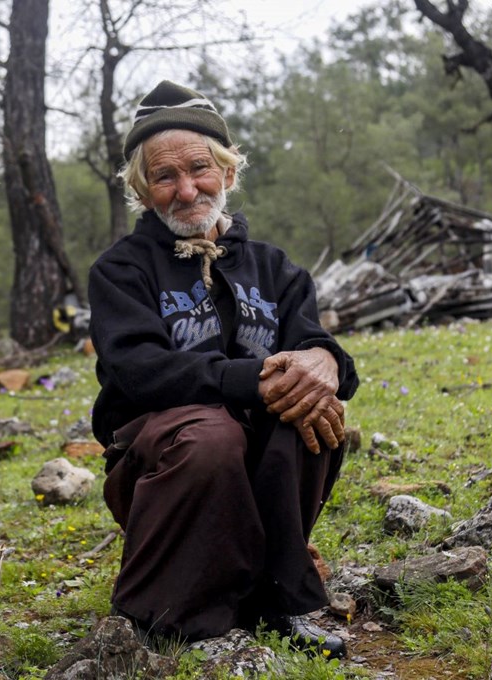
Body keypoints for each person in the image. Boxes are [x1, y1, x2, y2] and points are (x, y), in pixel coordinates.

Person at [88, 80, 359, 658]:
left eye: (200, 169)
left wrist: (324, 363)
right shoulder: (120, 271)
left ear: (229, 173)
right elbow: (138, 371)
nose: (187, 190)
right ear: (143, 189)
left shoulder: (276, 269)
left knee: (311, 410)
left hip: (252, 455)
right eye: (164, 177)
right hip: (165, 458)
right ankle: (173, 613)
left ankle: (283, 598)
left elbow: (318, 347)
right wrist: (252, 380)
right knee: (215, 433)